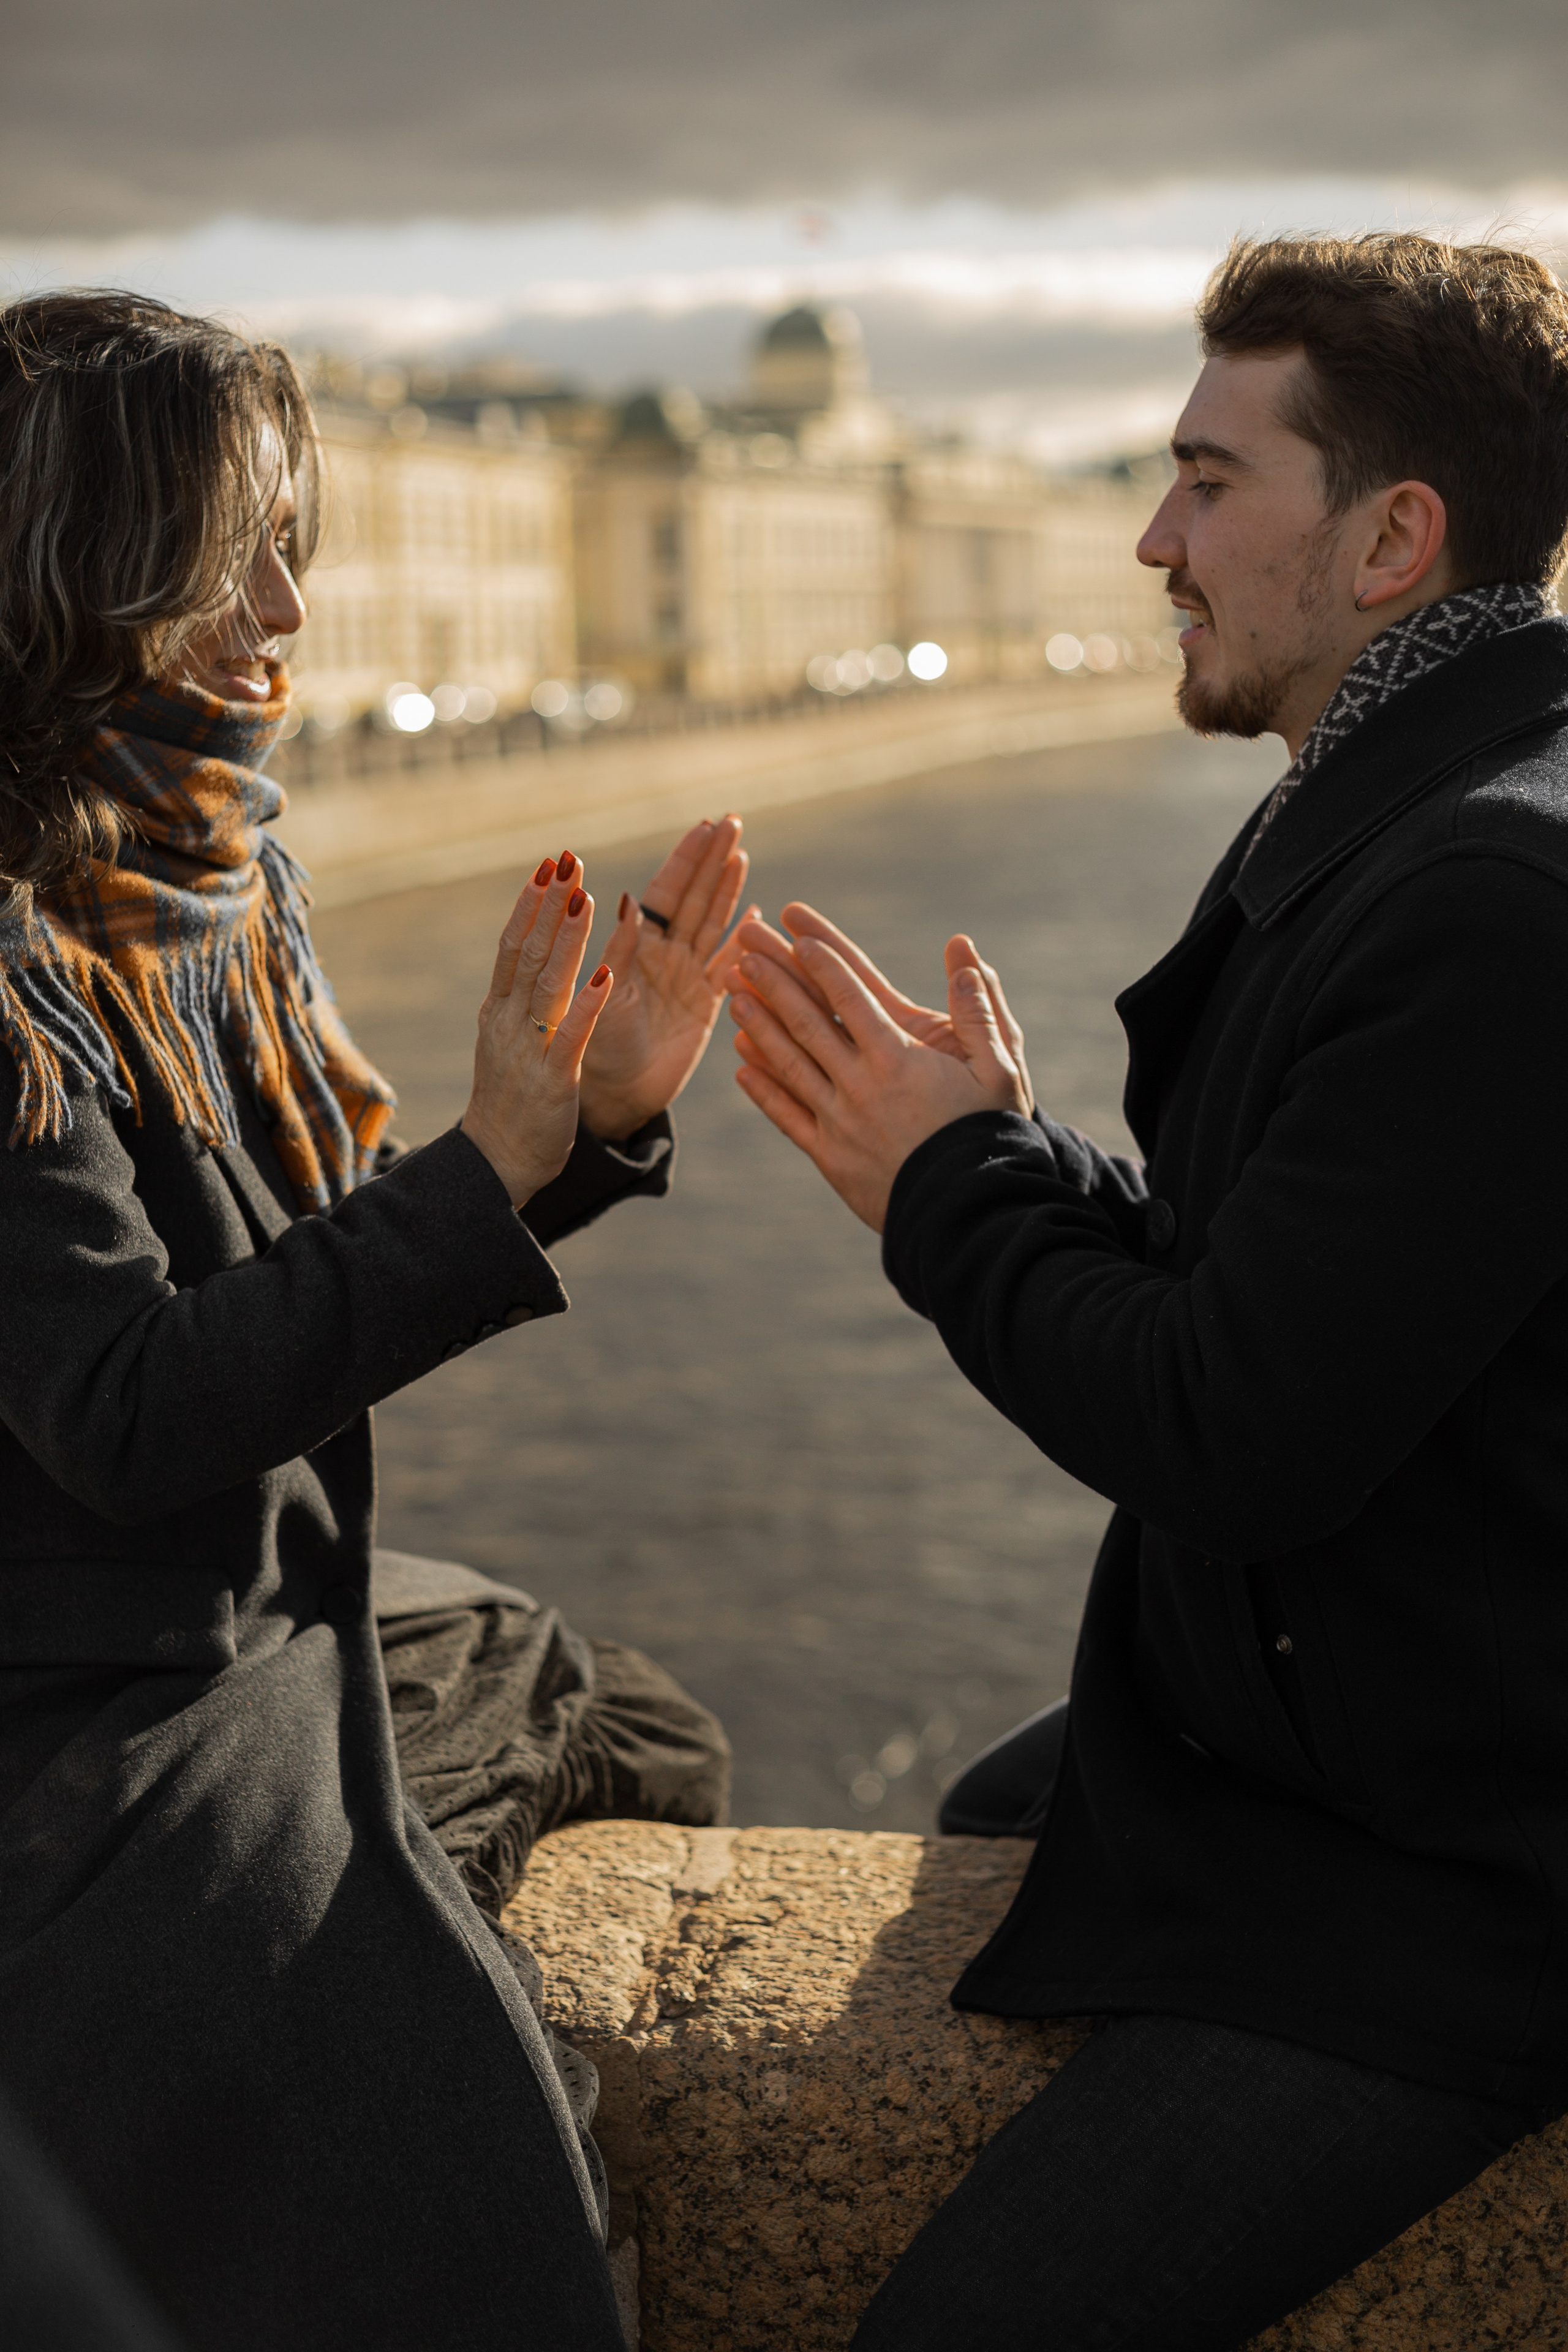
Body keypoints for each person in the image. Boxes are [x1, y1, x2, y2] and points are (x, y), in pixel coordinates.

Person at [723, 232, 1568, 2348]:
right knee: (1008, 1799)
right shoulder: (1426, 796)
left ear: (1393, 537)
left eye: (1208, 480)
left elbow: (1231, 1426)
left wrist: (947, 1193)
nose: (1149, 537)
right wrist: (995, 1152)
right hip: (1408, 1725)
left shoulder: (1485, 894)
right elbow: (1314, 1270)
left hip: (1463, 1871)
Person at [0, 290, 748, 2352]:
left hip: (242, 1587)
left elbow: (316, 1282)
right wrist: (488, 1172)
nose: (287, 600)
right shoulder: (11, 955)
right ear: (81, 557)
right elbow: (133, 1413)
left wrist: (573, 1139)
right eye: (232, 542)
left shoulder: (212, 858)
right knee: (470, 2142)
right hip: (91, 1677)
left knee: (640, 1724)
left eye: (295, 532)